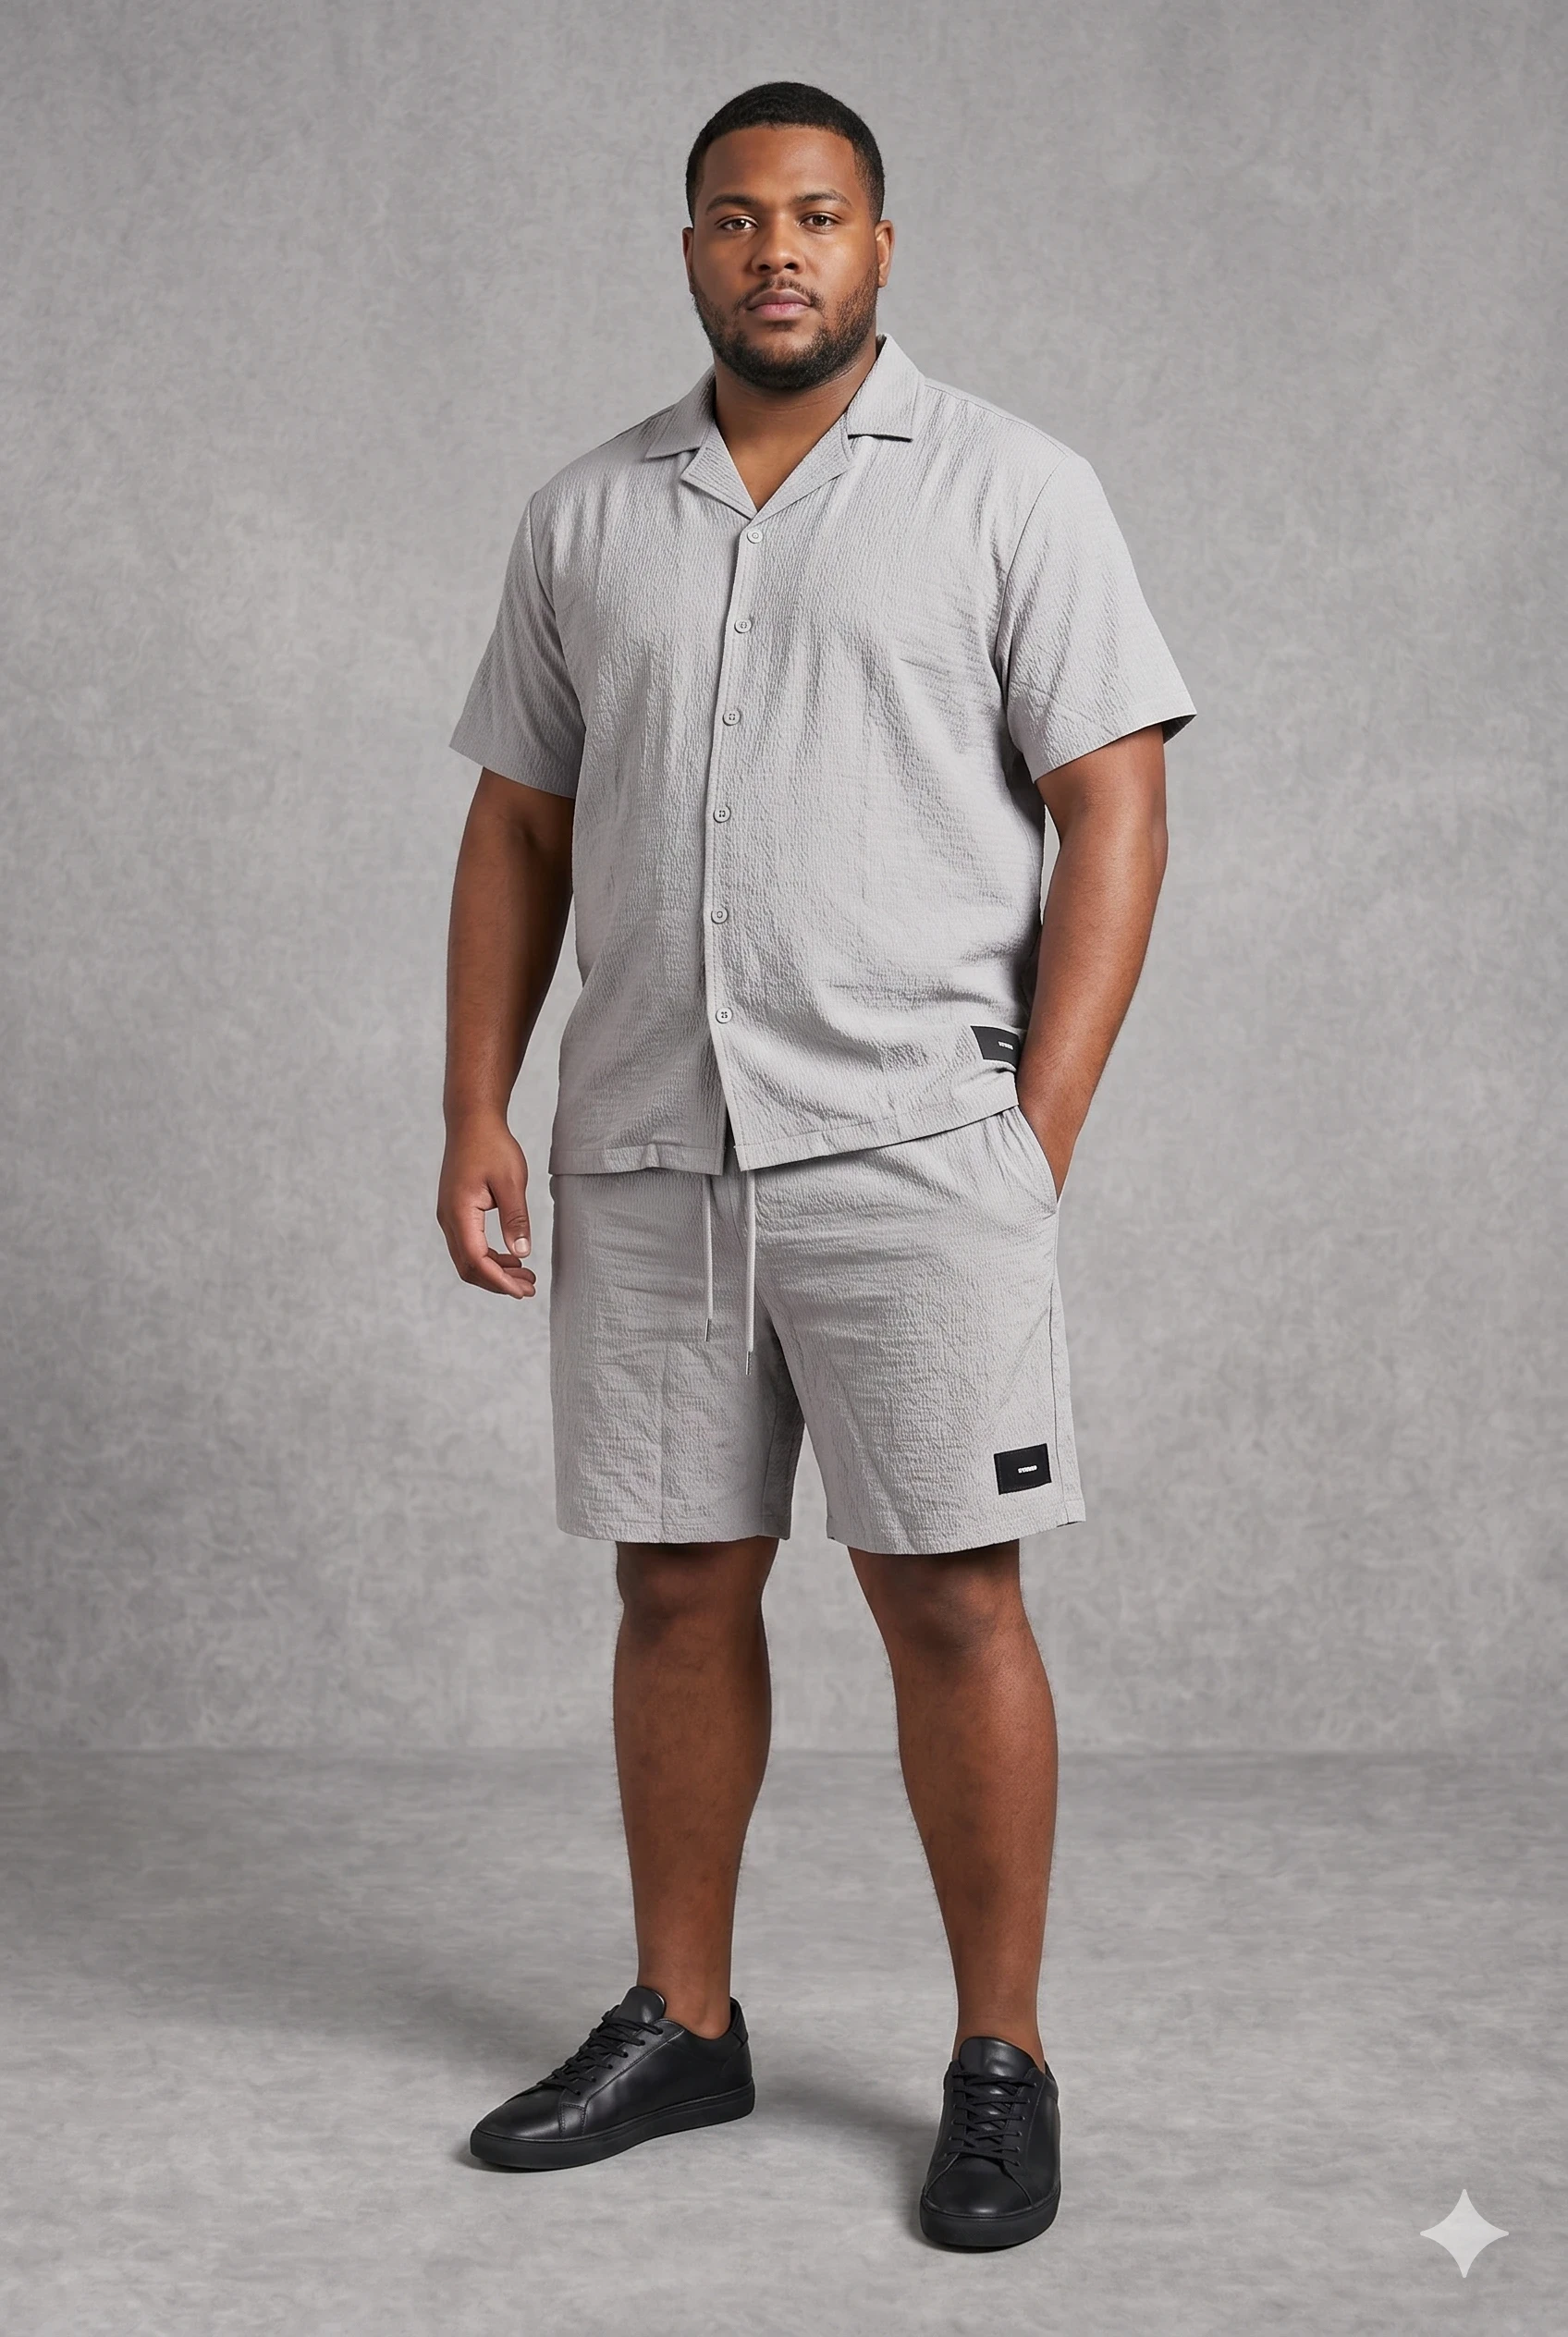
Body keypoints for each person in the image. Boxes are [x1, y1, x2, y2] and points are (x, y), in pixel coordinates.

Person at [437, 80, 1194, 2252]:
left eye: (817, 214)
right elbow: (518, 823)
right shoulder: (588, 516)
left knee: (949, 1592)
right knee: (672, 1582)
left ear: (879, 244)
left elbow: (1113, 801)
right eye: (734, 217)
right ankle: (683, 2019)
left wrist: (1034, 1127)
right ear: (688, 247)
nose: (776, 250)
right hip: (650, 1143)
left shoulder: (1009, 487)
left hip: (911, 1146)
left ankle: (998, 2058)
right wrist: (475, 1102)